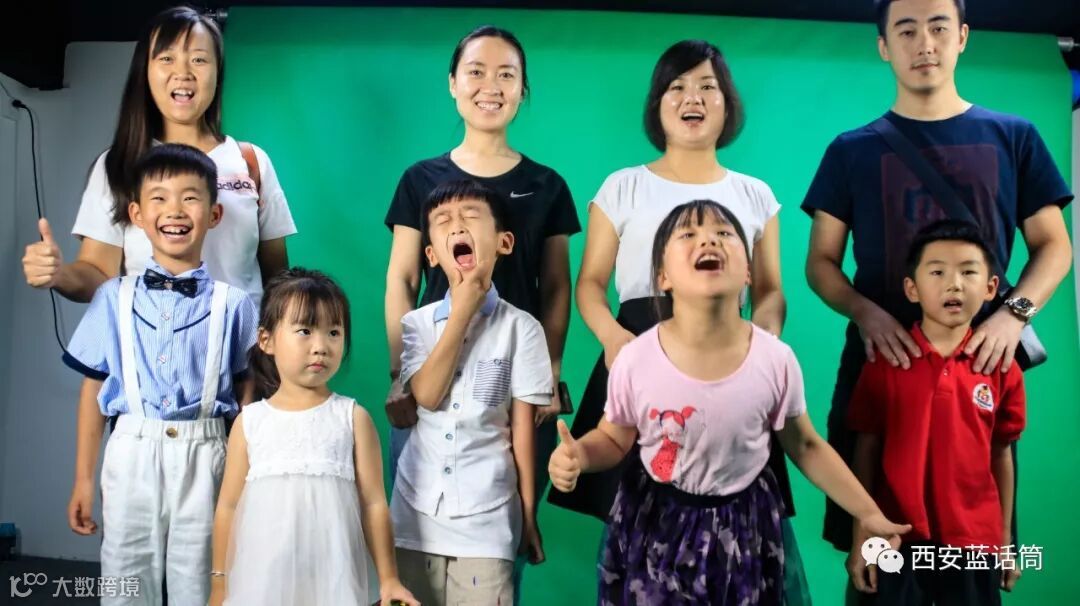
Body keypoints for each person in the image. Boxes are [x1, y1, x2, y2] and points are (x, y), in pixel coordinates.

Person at [802, 0, 1073, 557]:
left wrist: (1012, 318)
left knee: (973, 544)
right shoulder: (851, 150)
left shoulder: (1013, 137)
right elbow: (821, 262)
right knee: (875, 554)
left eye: (938, 27)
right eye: (906, 30)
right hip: (882, 366)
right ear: (884, 46)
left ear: (963, 36)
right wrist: (865, 313)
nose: (924, 43)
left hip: (976, 369)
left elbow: (1055, 247)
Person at [546, 39, 809, 601]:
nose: (693, 98)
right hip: (636, 352)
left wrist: (759, 345)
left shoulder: (754, 194)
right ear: (657, 105)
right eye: (678, 87)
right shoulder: (623, 185)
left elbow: (770, 293)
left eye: (707, 87)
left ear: (727, 104)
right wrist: (614, 339)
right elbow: (590, 284)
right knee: (634, 520)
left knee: (747, 520)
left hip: (729, 360)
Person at [549, 200, 909, 605]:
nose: (709, 240)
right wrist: (579, 455)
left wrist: (868, 512)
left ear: (748, 271)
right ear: (663, 276)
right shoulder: (636, 358)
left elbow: (806, 446)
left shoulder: (774, 359)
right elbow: (614, 439)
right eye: (688, 234)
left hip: (747, 527)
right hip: (656, 525)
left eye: (724, 233)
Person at [383, 24, 579, 492]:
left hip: (515, 374)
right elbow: (403, 279)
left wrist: (550, 369)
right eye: (476, 72)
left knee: (510, 511)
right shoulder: (419, 179)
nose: (491, 86)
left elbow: (556, 287)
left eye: (506, 75)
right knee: (418, 507)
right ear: (453, 83)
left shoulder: (548, 185)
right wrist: (400, 373)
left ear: (522, 90)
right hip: (434, 369)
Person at [63, 144, 258, 605]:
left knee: (203, 582)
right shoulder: (112, 297)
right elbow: (93, 389)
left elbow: (247, 400)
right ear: (136, 214)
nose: (175, 210)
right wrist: (84, 479)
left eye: (190, 197)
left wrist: (246, 480)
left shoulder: (234, 305)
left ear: (214, 214)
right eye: (159, 198)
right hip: (131, 451)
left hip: (208, 454)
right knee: (125, 578)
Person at [22, 5, 295, 307]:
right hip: (149, 337)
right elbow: (98, 273)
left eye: (199, 59)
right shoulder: (120, 164)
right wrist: (59, 274)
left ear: (218, 74)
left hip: (241, 338)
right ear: (145, 71)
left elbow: (277, 280)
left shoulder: (251, 161)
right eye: (167, 58)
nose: (183, 73)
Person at [209, 268, 418, 606]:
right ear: (266, 340)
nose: (321, 347)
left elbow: (374, 504)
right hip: (263, 580)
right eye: (305, 331)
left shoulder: (352, 418)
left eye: (333, 332)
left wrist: (389, 578)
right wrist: (219, 583)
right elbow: (228, 507)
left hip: (335, 578)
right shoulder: (250, 422)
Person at [846, 220, 1025, 605]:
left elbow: (1002, 454)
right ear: (912, 288)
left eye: (968, 272)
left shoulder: (1001, 367)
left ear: (990, 287)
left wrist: (1005, 540)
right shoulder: (886, 362)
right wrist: (863, 534)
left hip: (975, 545)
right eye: (938, 272)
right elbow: (866, 450)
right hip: (896, 539)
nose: (954, 284)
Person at [391, 180, 552, 605]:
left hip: (489, 520)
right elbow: (427, 395)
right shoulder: (417, 324)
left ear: (504, 242)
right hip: (415, 517)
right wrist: (462, 308)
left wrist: (528, 514)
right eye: (443, 221)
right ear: (431, 255)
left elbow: (522, 431)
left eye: (471, 216)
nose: (457, 225)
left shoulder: (523, 329)